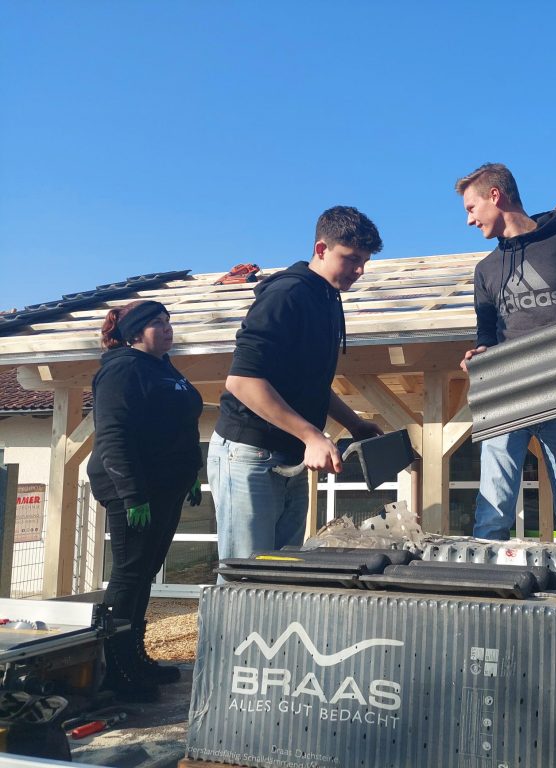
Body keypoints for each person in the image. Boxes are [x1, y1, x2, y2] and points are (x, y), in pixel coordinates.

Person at [455, 163, 556, 589]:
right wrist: (479, 354)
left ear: (495, 196)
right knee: (492, 513)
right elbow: (486, 335)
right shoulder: (486, 270)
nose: (469, 220)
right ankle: (485, 604)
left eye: (471, 208)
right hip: (505, 395)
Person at [209, 206, 383, 564]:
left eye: (364, 261)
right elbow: (242, 381)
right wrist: (312, 436)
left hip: (290, 457)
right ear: (321, 249)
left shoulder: (328, 298)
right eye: (351, 259)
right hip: (250, 453)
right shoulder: (286, 294)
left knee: (280, 571)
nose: (360, 270)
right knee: (247, 576)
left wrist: (355, 424)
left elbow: (311, 383)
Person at [87, 300, 203, 701]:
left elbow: (183, 426)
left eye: (169, 321)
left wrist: (192, 473)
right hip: (134, 490)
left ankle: (136, 657)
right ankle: (115, 668)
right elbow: (113, 435)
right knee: (129, 573)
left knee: (146, 572)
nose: (167, 328)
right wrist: (132, 494)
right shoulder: (122, 369)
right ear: (135, 333)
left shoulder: (164, 367)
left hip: (167, 487)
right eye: (156, 323)